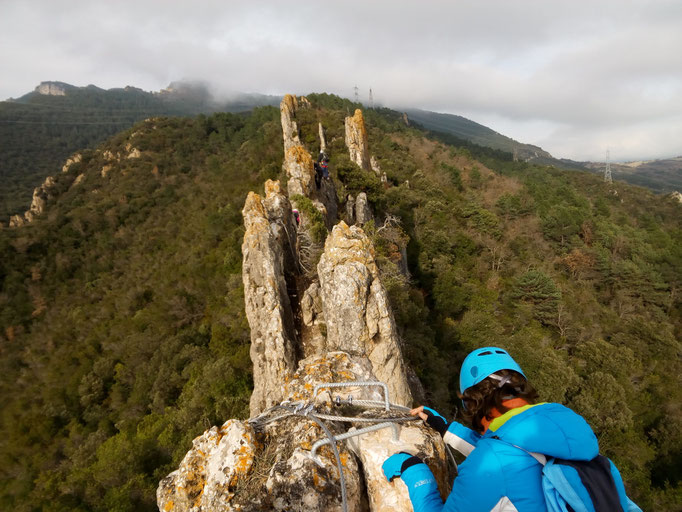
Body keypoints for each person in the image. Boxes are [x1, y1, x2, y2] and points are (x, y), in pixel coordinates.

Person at [382, 346, 641, 512]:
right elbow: (513, 450)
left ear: (476, 404)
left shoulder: (492, 462)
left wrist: (415, 472)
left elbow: (498, 459)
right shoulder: (577, 443)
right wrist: (445, 428)